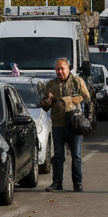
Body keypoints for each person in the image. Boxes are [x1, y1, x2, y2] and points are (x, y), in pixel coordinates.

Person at [40, 57, 91, 193]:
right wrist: (47, 102)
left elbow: (87, 99)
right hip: (58, 125)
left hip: (75, 124)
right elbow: (45, 106)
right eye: (57, 69)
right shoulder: (51, 85)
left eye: (62, 68)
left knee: (76, 156)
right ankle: (57, 182)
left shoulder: (77, 82)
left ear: (68, 69)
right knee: (58, 155)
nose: (60, 71)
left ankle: (77, 184)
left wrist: (87, 120)